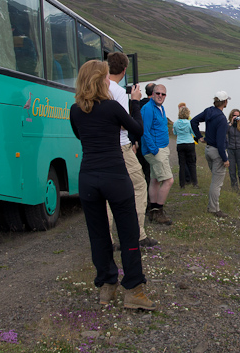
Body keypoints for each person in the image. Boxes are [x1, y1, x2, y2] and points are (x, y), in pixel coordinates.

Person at [69, 59, 155, 310]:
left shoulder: (75, 110)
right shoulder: (112, 107)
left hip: (88, 179)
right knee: (128, 234)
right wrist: (135, 103)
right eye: (106, 76)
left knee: (98, 235)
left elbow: (80, 134)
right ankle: (134, 291)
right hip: (115, 175)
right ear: (100, 80)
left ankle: (107, 286)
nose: (109, 80)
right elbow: (136, 130)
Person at [106, 52, 157, 248]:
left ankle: (107, 239)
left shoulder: (97, 88)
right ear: (125, 69)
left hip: (102, 148)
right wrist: (134, 102)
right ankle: (137, 234)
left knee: (107, 193)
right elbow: (124, 124)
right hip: (120, 147)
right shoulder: (117, 91)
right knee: (139, 185)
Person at [191, 91, 232, 218]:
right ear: (225, 102)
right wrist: (225, 159)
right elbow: (220, 142)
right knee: (216, 183)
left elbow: (193, 121)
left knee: (215, 180)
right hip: (217, 152)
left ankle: (213, 207)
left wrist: (199, 137)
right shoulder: (221, 119)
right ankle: (214, 209)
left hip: (208, 150)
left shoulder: (209, 111)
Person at [141, 84, 174, 225]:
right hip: (155, 150)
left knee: (155, 180)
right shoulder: (148, 109)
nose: (160, 96)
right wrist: (154, 149)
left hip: (161, 148)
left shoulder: (160, 108)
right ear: (152, 94)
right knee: (168, 180)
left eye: (163, 94)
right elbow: (144, 131)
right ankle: (158, 211)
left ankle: (153, 212)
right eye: (158, 93)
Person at [173, 103, 199, 188]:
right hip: (189, 143)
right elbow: (193, 133)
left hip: (180, 143)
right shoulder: (189, 123)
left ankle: (182, 184)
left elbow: (174, 133)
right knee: (192, 163)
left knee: (182, 164)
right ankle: (194, 183)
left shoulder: (176, 123)